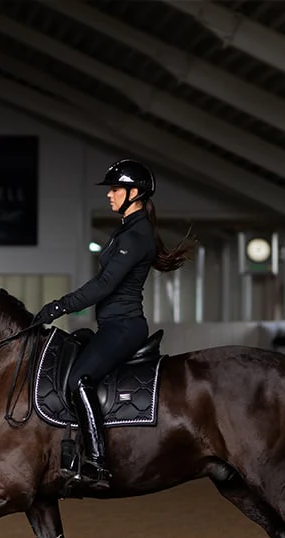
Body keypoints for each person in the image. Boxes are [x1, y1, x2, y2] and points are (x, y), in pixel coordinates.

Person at [35, 158, 195, 489]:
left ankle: (97, 460)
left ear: (134, 193)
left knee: (79, 378)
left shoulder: (136, 236)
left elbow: (104, 284)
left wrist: (60, 306)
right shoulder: (126, 230)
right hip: (111, 324)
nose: (109, 195)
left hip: (124, 327)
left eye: (115, 189)